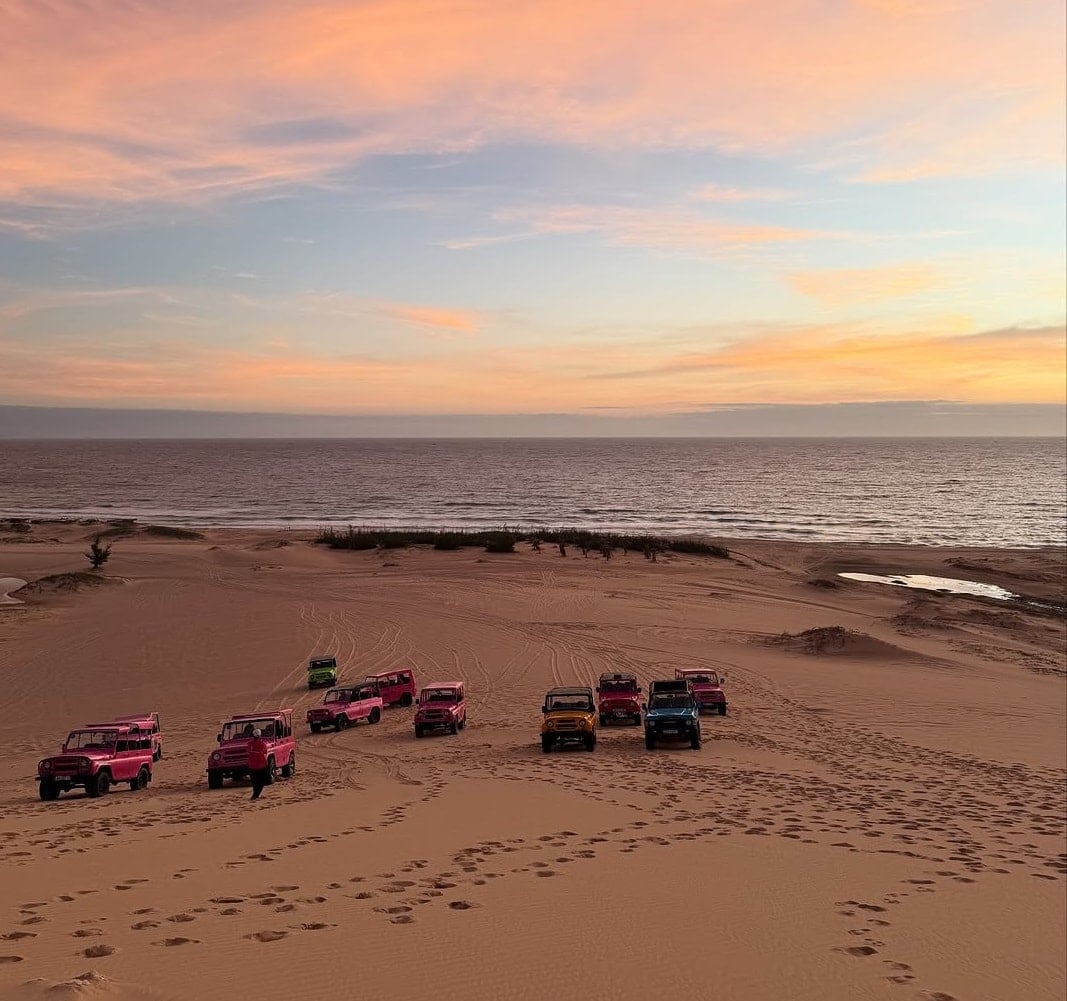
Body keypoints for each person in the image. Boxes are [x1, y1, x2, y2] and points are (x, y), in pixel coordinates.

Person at [247, 727, 270, 800]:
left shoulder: (249, 743)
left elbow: (248, 752)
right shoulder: (262, 744)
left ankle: (255, 794)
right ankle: (256, 795)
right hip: (261, 764)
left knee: (255, 781)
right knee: (261, 781)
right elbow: (265, 752)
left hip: (252, 765)